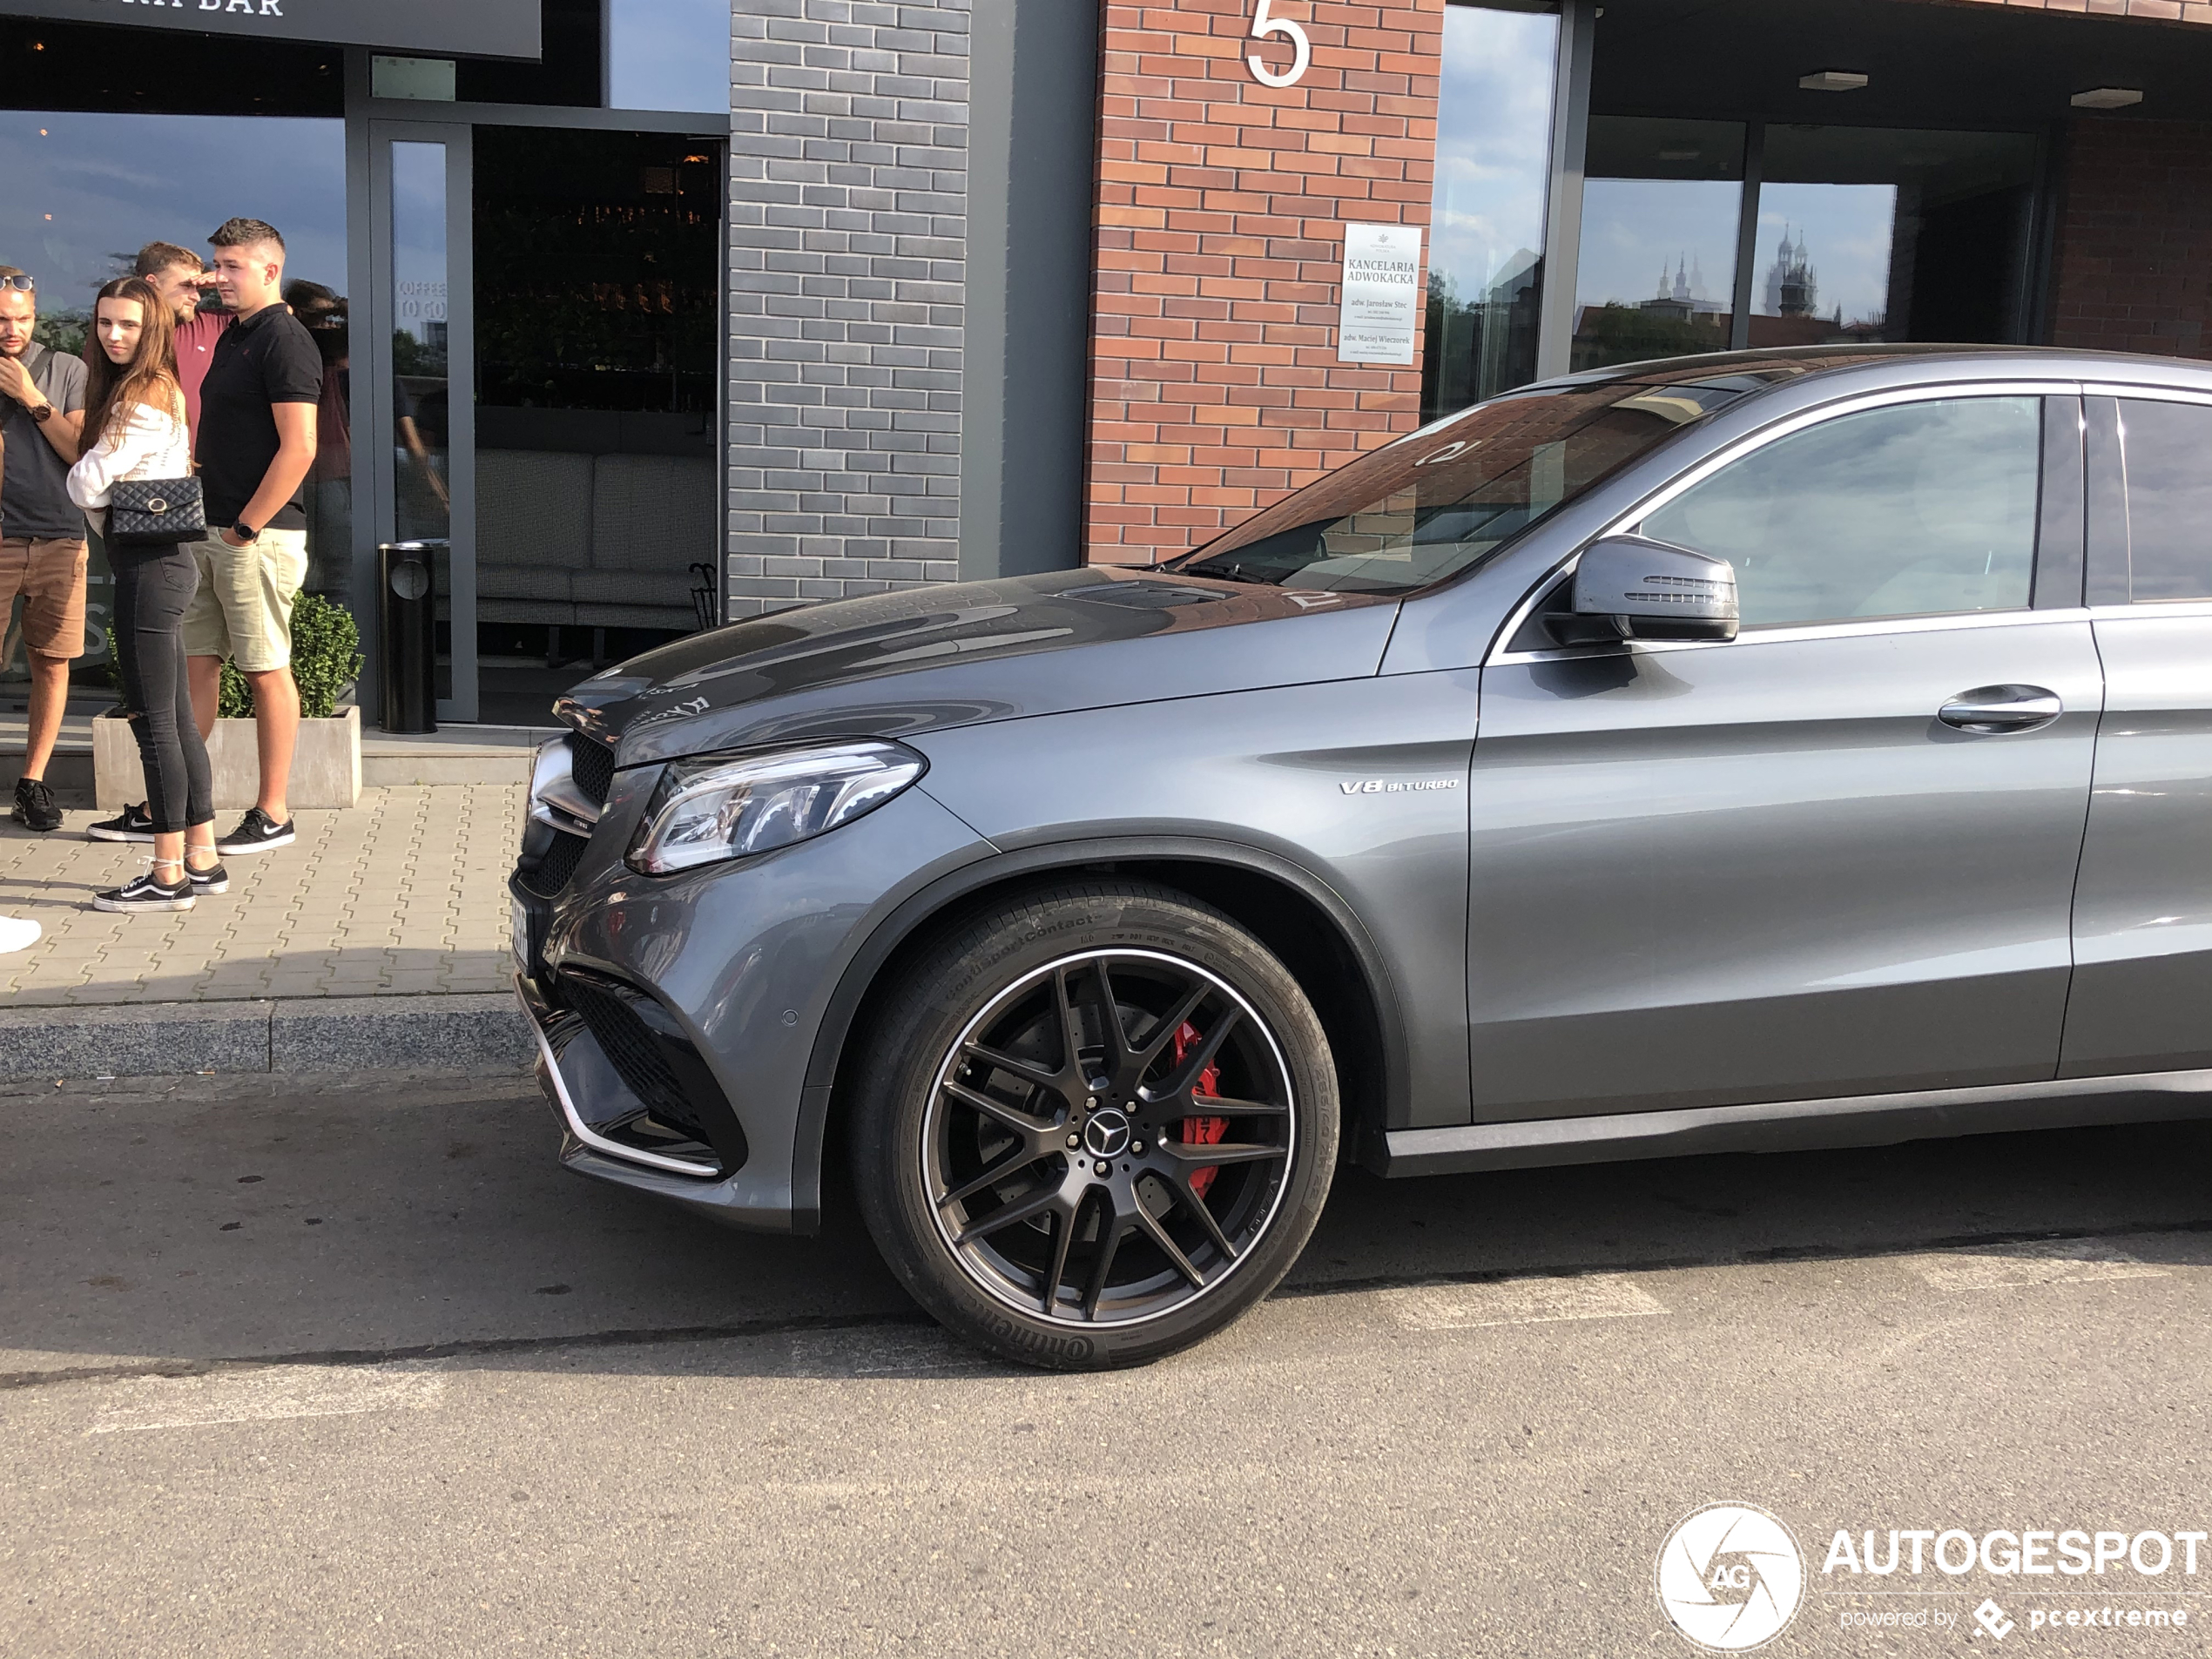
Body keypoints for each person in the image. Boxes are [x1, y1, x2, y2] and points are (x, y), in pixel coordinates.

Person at [67, 277, 221, 914]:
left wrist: (86, 464)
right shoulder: (158, 389)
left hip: (148, 569)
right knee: (177, 721)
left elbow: (86, 484)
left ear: (152, 327)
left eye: (128, 324)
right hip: (166, 564)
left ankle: (166, 874)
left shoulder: (141, 396)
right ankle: (202, 858)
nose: (113, 334)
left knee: (155, 725)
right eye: (105, 322)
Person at [183, 218, 320, 856]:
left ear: (270, 270)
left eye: (232, 265)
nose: (219, 276)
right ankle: (178, 799)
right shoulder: (235, 336)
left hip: (254, 535)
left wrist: (245, 527)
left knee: (266, 669)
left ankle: (273, 811)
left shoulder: (285, 340)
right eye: (216, 263)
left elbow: (300, 448)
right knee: (197, 664)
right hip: (209, 527)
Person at [0, 264, 88, 834]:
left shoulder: (65, 369)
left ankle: (31, 784)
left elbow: (81, 449)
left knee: (50, 663)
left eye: (22, 319)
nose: (12, 330)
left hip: (60, 534)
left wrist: (31, 399)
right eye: (2, 319)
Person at [135, 240, 230, 443]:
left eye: (198, 287)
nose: (196, 296)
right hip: (133, 469)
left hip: (200, 470)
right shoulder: (117, 333)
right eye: (187, 286)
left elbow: (280, 315)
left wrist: (227, 281)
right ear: (152, 283)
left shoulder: (212, 324)